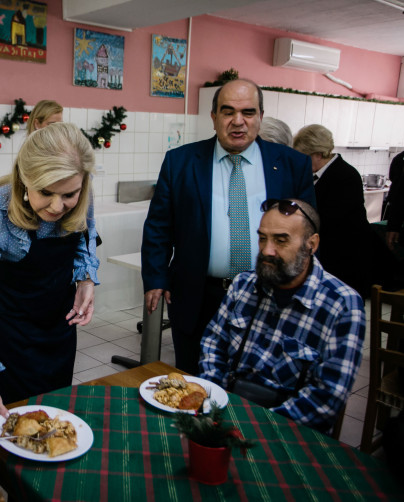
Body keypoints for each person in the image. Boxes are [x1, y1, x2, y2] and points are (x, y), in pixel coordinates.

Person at [141, 78, 315, 374]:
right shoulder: (180, 162)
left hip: (269, 294)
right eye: (228, 111)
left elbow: (307, 232)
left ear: (260, 116)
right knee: (195, 382)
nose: (238, 121)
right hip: (199, 297)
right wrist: (156, 277)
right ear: (213, 117)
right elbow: (159, 226)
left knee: (257, 383)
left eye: (248, 112)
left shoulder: (292, 165)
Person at [0, 122, 99, 421]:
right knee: (10, 422)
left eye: (69, 195)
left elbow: (85, 236)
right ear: (25, 179)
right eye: (45, 192)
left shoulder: (81, 192)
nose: (57, 206)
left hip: (59, 330)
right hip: (11, 335)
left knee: (53, 417)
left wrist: (86, 279)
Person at [199, 199, 365, 434]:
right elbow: (212, 344)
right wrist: (213, 403)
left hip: (287, 433)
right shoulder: (244, 284)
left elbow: (325, 400)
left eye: (281, 240)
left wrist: (255, 429)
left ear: (311, 244)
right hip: (225, 413)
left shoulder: (342, 305)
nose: (267, 250)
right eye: (262, 238)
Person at [293, 124, 380, 297]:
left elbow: (330, 220)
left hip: (347, 258)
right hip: (331, 255)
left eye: (304, 156)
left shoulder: (345, 175)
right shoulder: (318, 174)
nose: (301, 162)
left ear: (318, 154)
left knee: (345, 302)